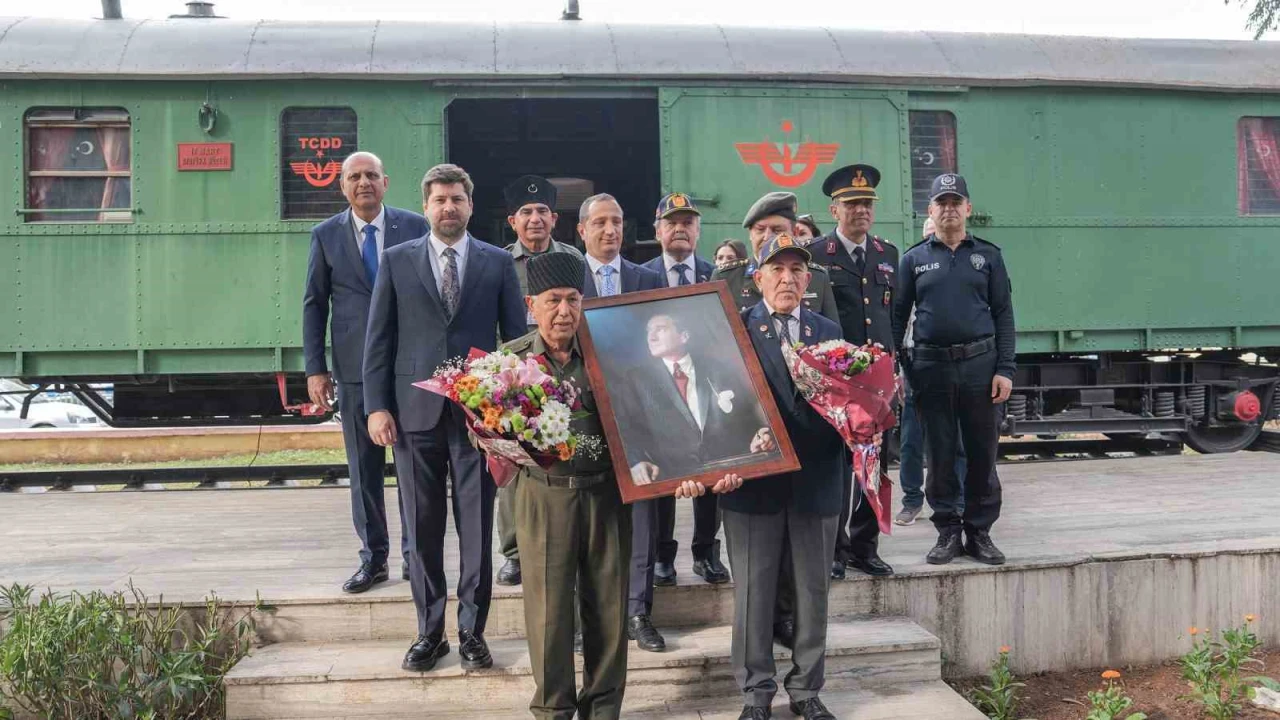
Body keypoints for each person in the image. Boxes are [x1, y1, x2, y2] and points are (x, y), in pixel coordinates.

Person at [363, 163, 526, 671]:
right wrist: (376, 406)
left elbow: (516, 344)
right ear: (426, 206)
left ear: (469, 206)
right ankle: (429, 633)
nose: (448, 207)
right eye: (439, 200)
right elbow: (379, 339)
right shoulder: (396, 260)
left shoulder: (497, 263)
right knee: (423, 524)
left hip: (478, 419)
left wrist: (512, 413)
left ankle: (473, 633)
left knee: (477, 528)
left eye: (457, 199)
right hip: (413, 415)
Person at [719, 232, 847, 720]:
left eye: (797, 270)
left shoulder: (828, 331)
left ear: (808, 279)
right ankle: (755, 694)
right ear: (758, 278)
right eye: (777, 269)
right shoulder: (735, 329)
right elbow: (719, 403)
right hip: (754, 485)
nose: (787, 278)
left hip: (816, 479)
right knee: (753, 591)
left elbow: (845, 405)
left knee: (812, 591)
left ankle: (807, 690)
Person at [501, 252, 632, 720]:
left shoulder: (608, 353)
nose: (564, 311)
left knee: (610, 611)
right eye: (553, 300)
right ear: (531, 304)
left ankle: (602, 709)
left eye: (573, 300)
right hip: (544, 495)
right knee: (549, 614)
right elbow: (491, 443)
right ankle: (553, 709)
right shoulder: (511, 364)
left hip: (606, 496)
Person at [302, 151, 428, 594]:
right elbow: (315, 305)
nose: (363, 183)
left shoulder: (414, 227)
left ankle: (417, 557)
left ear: (386, 181)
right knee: (364, 469)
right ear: (342, 186)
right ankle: (374, 559)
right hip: (354, 371)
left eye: (371, 175)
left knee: (414, 469)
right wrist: (316, 369)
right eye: (354, 177)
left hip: (407, 366)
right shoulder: (325, 235)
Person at [893, 173, 1014, 567]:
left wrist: (1005, 369)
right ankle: (947, 530)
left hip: (981, 365)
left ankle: (979, 532)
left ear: (968, 208)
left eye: (955, 202)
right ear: (930, 211)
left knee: (982, 453)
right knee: (940, 453)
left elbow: (1004, 316)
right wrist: (899, 368)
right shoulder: (913, 260)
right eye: (940, 203)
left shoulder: (989, 257)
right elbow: (897, 318)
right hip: (931, 368)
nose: (948, 209)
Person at [576, 192, 670, 653]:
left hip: (641, 415)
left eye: (616, 222)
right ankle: (585, 617)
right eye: (600, 223)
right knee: (586, 519)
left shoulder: (647, 278)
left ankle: (638, 611)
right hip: (584, 417)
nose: (610, 230)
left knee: (642, 517)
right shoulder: (568, 276)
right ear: (582, 231)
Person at [807, 164, 897, 581]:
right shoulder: (818, 255)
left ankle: (866, 547)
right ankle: (836, 551)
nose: (860, 210)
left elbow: (892, 315)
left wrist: (896, 369)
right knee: (838, 468)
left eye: (866, 203)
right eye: (851, 204)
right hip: (839, 385)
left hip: (877, 385)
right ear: (834, 209)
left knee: (873, 465)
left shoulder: (887, 254)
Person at [497, 174, 585, 588]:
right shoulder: (498, 261)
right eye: (527, 213)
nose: (535, 219)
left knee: (568, 458)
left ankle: (568, 540)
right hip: (519, 371)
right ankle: (515, 550)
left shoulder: (574, 258)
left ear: (554, 218)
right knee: (515, 460)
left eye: (543, 212)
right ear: (513, 220)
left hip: (567, 365)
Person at [639, 193, 728, 587]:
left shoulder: (717, 276)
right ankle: (661, 555)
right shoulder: (641, 276)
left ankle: (706, 552)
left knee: (710, 464)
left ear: (698, 230)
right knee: (664, 465)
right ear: (657, 230)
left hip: (705, 381)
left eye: (688, 222)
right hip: (658, 385)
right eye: (671, 222)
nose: (680, 228)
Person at [896, 217, 967, 526]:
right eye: (928, 236)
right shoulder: (911, 270)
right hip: (916, 364)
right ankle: (912, 500)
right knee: (912, 438)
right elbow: (897, 322)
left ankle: (959, 499)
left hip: (953, 367)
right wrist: (899, 368)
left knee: (957, 439)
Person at [710, 192, 840, 320]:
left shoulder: (817, 277)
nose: (767, 237)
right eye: (760, 229)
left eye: (777, 230)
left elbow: (832, 338)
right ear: (750, 234)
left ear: (794, 233)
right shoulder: (726, 278)